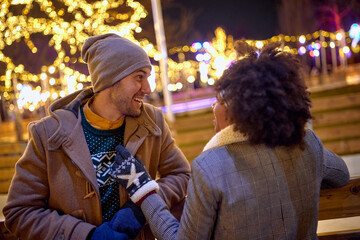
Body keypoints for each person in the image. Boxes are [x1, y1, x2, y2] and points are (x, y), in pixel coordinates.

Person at [109, 41, 350, 240]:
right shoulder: (306, 143)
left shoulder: (211, 167)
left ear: (238, 110)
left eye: (219, 101)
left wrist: (144, 190)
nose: (214, 107)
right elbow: (341, 175)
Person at [3, 33, 191, 240]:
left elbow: (182, 175)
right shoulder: (47, 134)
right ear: (109, 79)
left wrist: (141, 205)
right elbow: (20, 212)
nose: (147, 88)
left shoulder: (152, 121)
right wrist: (86, 235)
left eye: (148, 77)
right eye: (139, 77)